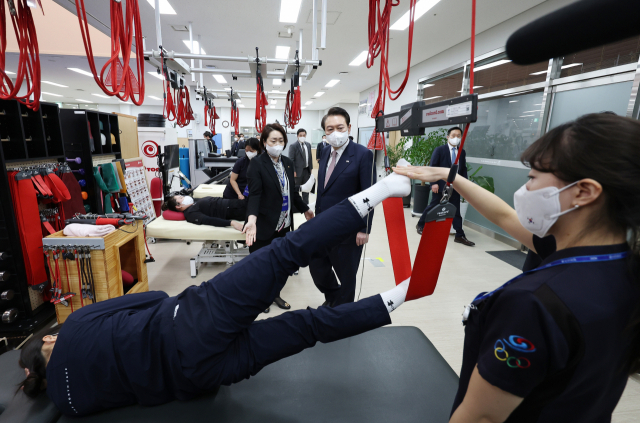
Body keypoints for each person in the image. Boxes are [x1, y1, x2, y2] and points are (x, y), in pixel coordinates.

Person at [20, 170, 415, 417]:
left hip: (199, 376)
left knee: (307, 326)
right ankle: (379, 191)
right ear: (47, 340)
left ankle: (400, 296)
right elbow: (152, 300)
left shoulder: (70, 404)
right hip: (191, 323)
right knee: (285, 253)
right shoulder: (72, 327)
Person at [394, 113, 640, 422]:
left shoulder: (533, 303)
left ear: (584, 192)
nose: (525, 190)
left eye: (534, 176)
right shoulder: (623, 268)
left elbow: (482, 416)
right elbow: (506, 217)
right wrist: (448, 174)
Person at [243, 122, 314, 311]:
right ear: (264, 142)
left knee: (279, 266)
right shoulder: (256, 164)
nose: (277, 144)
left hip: (284, 224)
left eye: (281, 140)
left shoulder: (288, 163)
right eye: (273, 140)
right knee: (261, 267)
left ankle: (274, 295)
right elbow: (255, 195)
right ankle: (260, 299)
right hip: (264, 224)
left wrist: (305, 208)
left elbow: (291, 193)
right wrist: (251, 220)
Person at [310, 107, 375, 307]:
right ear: (325, 132)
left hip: (348, 229)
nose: (335, 132)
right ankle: (333, 299)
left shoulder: (363, 155)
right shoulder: (325, 150)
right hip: (322, 225)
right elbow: (323, 187)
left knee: (346, 276)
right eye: (330, 129)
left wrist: (363, 228)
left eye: (340, 127)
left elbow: (369, 194)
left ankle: (343, 314)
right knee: (317, 268)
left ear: (349, 127)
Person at [416, 127, 475, 247]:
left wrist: (465, 185)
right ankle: (421, 224)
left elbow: (463, 170)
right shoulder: (440, 150)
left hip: (456, 186)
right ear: (448, 137)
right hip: (441, 185)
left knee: (456, 210)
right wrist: (434, 183)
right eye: (453, 135)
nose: (456, 138)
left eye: (458, 136)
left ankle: (459, 235)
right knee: (433, 206)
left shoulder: (461, 152)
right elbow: (433, 168)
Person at [162, 195, 245, 232]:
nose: (184, 197)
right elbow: (209, 220)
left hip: (232, 203)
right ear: (178, 206)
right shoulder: (190, 213)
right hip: (233, 210)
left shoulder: (193, 203)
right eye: (181, 198)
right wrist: (232, 223)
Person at [290, 128, 314, 203]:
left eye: (304, 135)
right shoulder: (293, 146)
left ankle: (306, 206)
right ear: (297, 136)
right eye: (300, 135)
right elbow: (291, 160)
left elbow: (310, 157)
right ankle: (295, 205)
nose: (302, 136)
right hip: (297, 172)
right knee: (296, 189)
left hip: (306, 170)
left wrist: (311, 168)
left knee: (306, 189)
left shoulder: (308, 145)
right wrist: (293, 171)